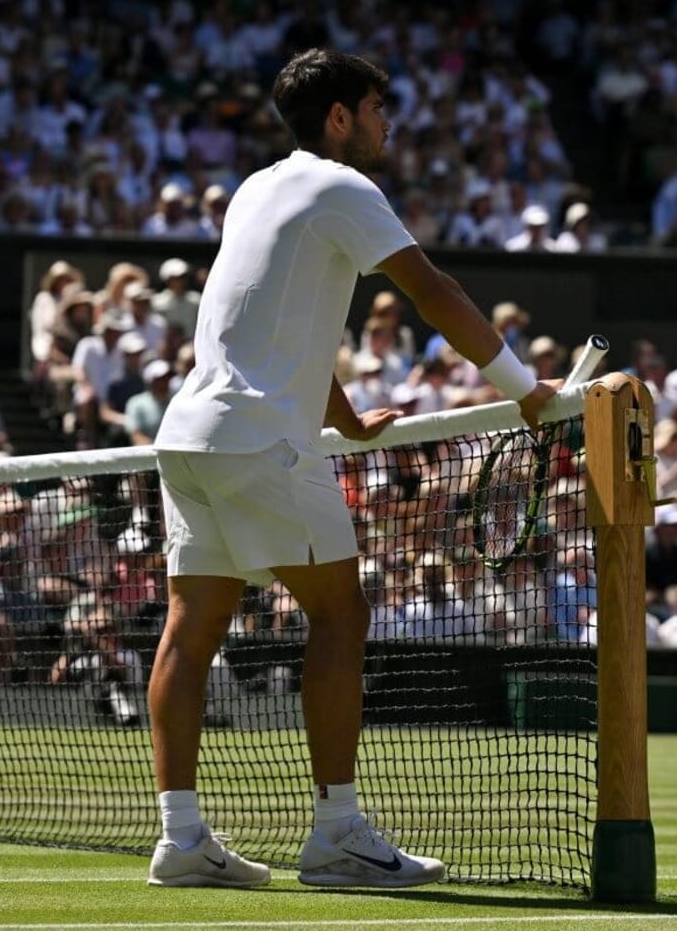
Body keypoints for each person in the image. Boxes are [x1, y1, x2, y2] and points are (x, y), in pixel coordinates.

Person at [145, 49, 560, 890]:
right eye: (376, 106)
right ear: (340, 116)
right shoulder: (344, 188)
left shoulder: (258, 189)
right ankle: (337, 832)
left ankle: (181, 839)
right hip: (260, 439)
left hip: (189, 438)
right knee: (341, 615)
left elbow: (264, 323)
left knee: (190, 634)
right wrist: (525, 388)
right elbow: (432, 290)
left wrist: (341, 417)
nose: (386, 123)